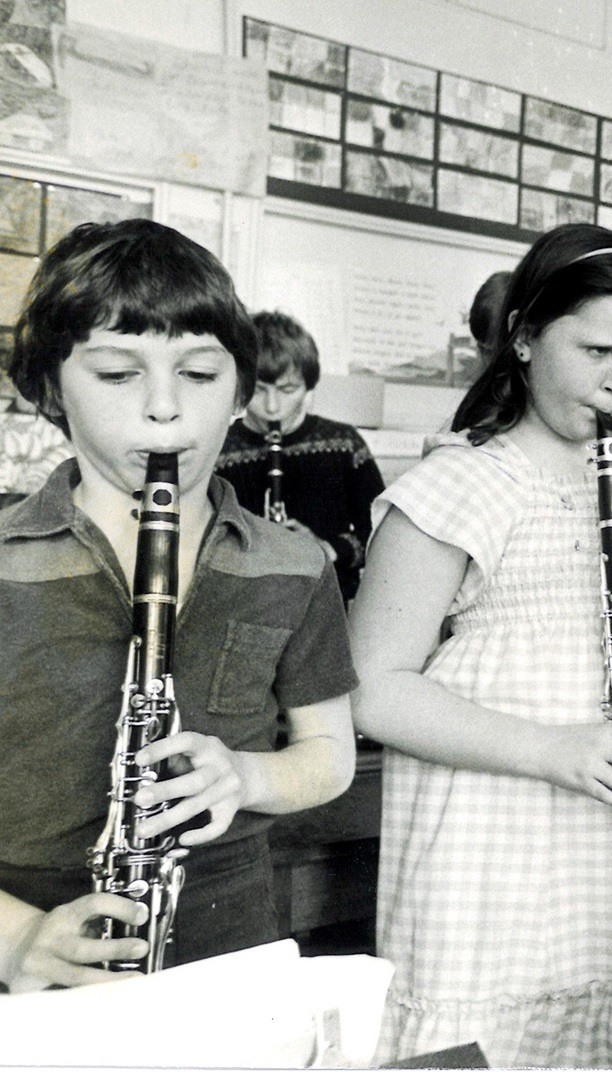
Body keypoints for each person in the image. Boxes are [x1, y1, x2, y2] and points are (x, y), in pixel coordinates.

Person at [348, 223, 612, 1067]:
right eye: (596, 351)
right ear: (522, 336)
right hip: (494, 820)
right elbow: (373, 687)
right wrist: (552, 749)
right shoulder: (457, 483)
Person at [0, 219, 357, 988]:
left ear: (239, 392)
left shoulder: (293, 564)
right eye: (117, 374)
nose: (165, 409)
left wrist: (246, 778)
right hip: (24, 943)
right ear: (45, 388)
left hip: (228, 940)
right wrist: (18, 937)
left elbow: (329, 757)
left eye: (198, 375)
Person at [213, 311, 385, 602]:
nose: (272, 407)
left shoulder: (345, 443)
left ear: (308, 385)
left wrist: (328, 549)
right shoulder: (217, 448)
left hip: (329, 605)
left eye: (287, 390)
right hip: (246, 603)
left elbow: (382, 534)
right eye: (259, 390)